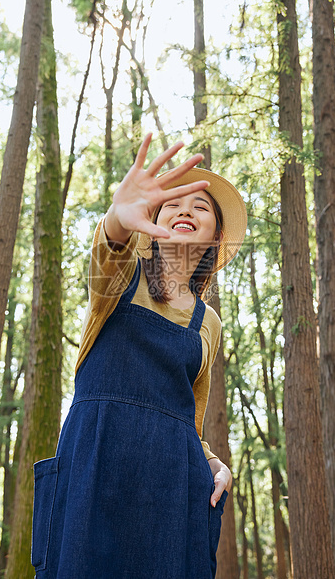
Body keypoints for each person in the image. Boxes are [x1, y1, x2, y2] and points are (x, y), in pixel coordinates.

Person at [31, 134, 247, 579]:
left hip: (171, 482)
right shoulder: (121, 275)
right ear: (153, 218)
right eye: (173, 203)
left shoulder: (209, 323)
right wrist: (117, 220)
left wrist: (212, 462)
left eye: (201, 207)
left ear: (216, 237)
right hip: (96, 458)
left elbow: (193, 415)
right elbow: (106, 251)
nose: (186, 209)